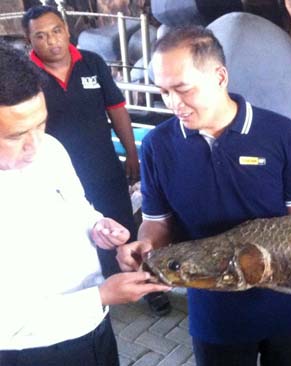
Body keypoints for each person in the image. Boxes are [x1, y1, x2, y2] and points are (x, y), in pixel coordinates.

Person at [116, 26, 291, 366]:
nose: (173, 103)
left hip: (287, 303)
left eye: (183, 89)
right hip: (214, 313)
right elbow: (156, 223)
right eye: (163, 92)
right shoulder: (157, 146)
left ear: (220, 76)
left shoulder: (280, 132)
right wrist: (146, 248)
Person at [0, 41, 170, 366]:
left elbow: (77, 206)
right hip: (33, 352)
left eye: (41, 124)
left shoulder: (50, 150)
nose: (34, 146)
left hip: (95, 329)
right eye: (15, 135)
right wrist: (101, 295)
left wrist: (98, 227)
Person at [19, 5, 171, 312]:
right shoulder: (24, 76)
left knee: (123, 229)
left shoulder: (92, 63)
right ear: (29, 40)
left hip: (103, 168)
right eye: (41, 36)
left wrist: (131, 153)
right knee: (74, 235)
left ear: (66, 29)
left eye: (56, 31)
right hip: (55, 178)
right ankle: (94, 293)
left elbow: (116, 109)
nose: (52, 41)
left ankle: (149, 287)